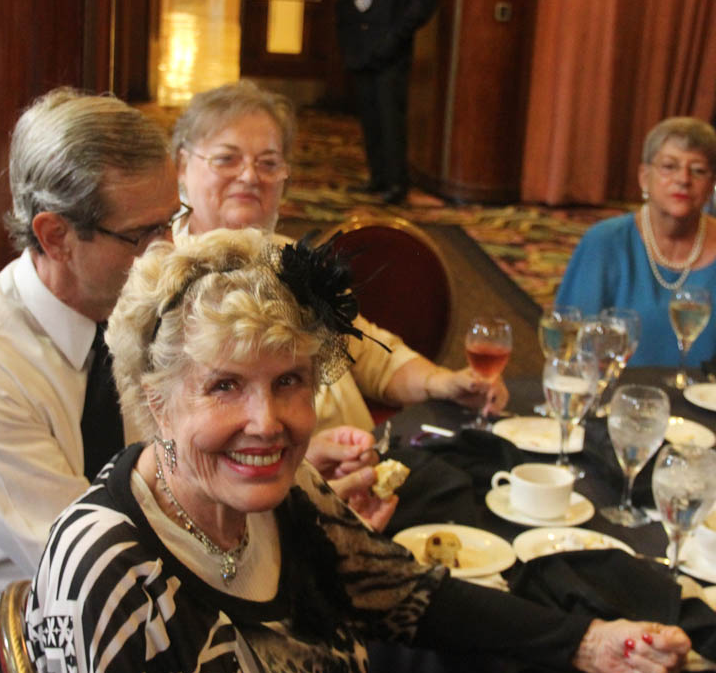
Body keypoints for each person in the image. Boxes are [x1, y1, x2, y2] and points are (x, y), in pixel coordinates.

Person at [26, 228, 691, 673]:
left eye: (288, 380)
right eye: (225, 386)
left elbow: (409, 597)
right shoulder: (108, 573)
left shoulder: (287, 497)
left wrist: (591, 642)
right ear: (156, 402)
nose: (267, 421)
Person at [0, 88, 182, 673]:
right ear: (55, 236)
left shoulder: (136, 309)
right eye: (142, 234)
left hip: (138, 582)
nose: (166, 252)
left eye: (172, 220)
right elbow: (83, 561)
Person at [171, 80, 507, 438]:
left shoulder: (291, 260)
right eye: (227, 159)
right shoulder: (160, 282)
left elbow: (371, 356)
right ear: (180, 165)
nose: (251, 176)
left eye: (268, 163)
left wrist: (443, 382)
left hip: (361, 464)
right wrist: (304, 464)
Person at [557, 117, 716, 366]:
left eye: (698, 170)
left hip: (710, 401)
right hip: (615, 397)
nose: (683, 179)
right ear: (645, 177)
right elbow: (568, 350)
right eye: (669, 166)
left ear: (711, 185)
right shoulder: (603, 243)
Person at [336, 0, 439, 205]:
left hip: (392, 50)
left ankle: (397, 184)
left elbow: (422, 2)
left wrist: (394, 38)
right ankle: (377, 177)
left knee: (390, 119)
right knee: (369, 117)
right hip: (360, 48)